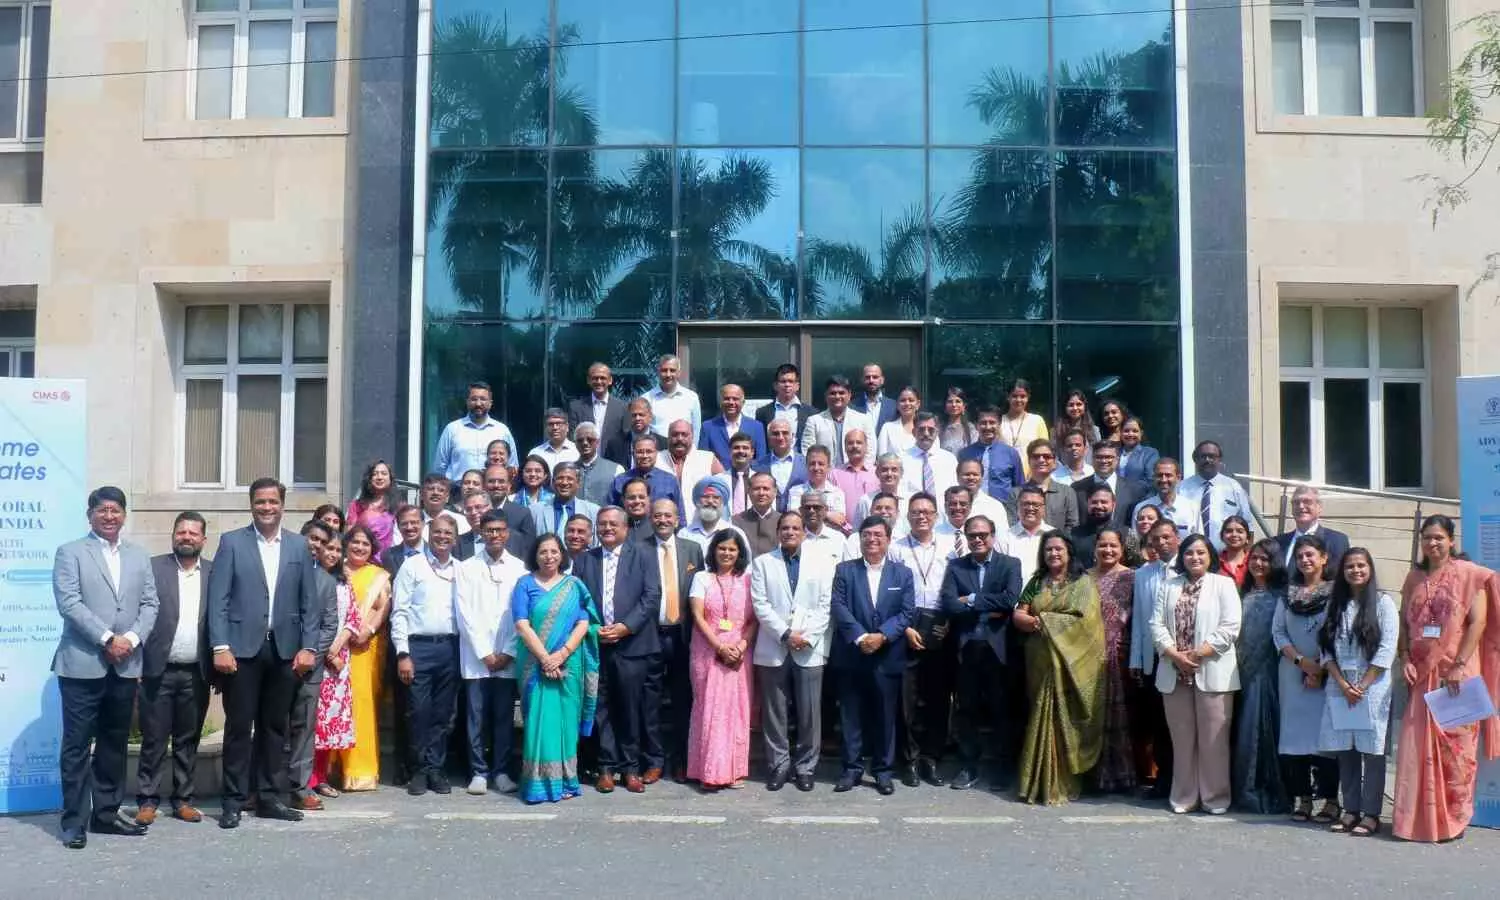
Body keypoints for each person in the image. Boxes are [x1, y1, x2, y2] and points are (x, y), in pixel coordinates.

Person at [208, 478, 322, 829]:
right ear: (251, 504)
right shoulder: (232, 543)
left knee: (275, 728)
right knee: (239, 727)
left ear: (282, 505)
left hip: (285, 651)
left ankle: (270, 798)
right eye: (260, 502)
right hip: (241, 651)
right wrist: (220, 646)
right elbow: (218, 599)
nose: (267, 507)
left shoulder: (299, 546)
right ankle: (233, 800)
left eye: (273, 501)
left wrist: (309, 647)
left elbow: (309, 603)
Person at [52, 486, 160, 848]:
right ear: (90, 515)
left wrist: (130, 638)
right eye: (102, 510)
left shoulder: (139, 556)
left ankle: (106, 815)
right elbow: (69, 602)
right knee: (77, 745)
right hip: (82, 664)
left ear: (124, 515)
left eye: (115, 510)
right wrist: (106, 639)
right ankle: (74, 821)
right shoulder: (70, 553)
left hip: (125, 665)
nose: (109, 516)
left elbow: (150, 604)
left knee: (114, 744)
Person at [1393, 515, 1492, 843]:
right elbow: (1404, 622)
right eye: (1427, 537)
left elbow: (1478, 623)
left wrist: (1459, 665)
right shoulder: (1413, 577)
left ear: (1451, 540)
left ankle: (1453, 821)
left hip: (1456, 673)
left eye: (1438, 537)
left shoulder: (1469, 574)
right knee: (1415, 748)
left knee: (1458, 751)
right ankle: (1414, 821)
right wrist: (1404, 657)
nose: (1432, 543)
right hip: (1422, 672)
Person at [572, 507, 663, 792]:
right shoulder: (585, 560)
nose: (607, 528)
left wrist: (626, 627)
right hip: (597, 645)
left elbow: (652, 596)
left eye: (613, 524)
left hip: (632, 645)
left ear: (625, 528)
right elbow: (578, 602)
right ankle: (606, 768)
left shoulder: (644, 555)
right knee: (601, 708)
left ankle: (631, 768)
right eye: (602, 524)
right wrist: (593, 629)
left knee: (630, 709)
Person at [1149, 533, 1241, 815]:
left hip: (1212, 670)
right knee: (1182, 740)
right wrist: (1176, 656)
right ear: (1182, 557)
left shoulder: (1223, 584)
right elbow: (1156, 625)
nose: (1195, 557)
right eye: (1189, 553)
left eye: (1201, 552)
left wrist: (1199, 654)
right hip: (1174, 671)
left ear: (1210, 555)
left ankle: (1215, 798)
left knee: (1214, 741)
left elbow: (1231, 626)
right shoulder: (1168, 585)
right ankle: (1184, 797)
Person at [1012, 533, 1104, 805]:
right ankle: (1039, 781)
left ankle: (1064, 781)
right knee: (1040, 717)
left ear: (1069, 552)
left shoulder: (1082, 583)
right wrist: (1025, 620)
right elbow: (1020, 612)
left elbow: (1086, 622)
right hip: (1039, 661)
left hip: (1069, 665)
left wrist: (1044, 620)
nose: (1053, 553)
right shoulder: (1036, 581)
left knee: (1065, 720)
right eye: (1048, 549)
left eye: (1058, 549)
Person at [135, 512, 212, 827]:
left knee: (187, 739)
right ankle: (147, 800)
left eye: (193, 533)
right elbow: (137, 613)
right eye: (181, 532)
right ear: (173, 535)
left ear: (203, 539)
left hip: (197, 671)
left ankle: (183, 800)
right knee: (154, 739)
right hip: (158, 670)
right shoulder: (153, 568)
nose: (187, 537)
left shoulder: (214, 572)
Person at [830, 517, 916, 795]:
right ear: (860, 539)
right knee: (851, 716)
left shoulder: (902, 574)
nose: (872, 539)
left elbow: (906, 613)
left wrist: (882, 636)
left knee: (885, 716)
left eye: (878, 534)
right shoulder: (845, 570)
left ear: (888, 539)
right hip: (852, 655)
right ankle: (851, 769)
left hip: (887, 655)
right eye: (866, 534)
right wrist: (860, 637)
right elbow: (838, 606)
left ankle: (883, 771)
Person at [512, 534, 600, 803]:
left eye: (554, 551)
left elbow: (584, 622)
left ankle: (566, 780)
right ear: (535, 556)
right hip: (534, 665)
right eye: (543, 552)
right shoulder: (525, 584)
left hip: (568, 664)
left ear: (562, 555)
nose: (549, 556)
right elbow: (521, 624)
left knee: (566, 721)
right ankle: (538, 784)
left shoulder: (573, 585)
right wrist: (545, 658)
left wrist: (561, 654)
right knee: (539, 722)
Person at [1318, 548, 1398, 837]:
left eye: (1361, 565)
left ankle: (1371, 814)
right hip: (1340, 687)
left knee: (1371, 752)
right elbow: (1325, 649)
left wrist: (1362, 686)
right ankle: (1350, 809)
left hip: (1372, 688)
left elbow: (1387, 648)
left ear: (1370, 569)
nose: (1356, 570)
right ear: (1342, 572)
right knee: (1347, 750)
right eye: (1350, 566)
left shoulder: (1383, 603)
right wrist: (1343, 684)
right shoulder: (1335, 604)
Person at [751, 511, 832, 793]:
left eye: (796, 528)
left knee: (810, 713)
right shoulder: (763, 563)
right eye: (785, 528)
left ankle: (806, 767)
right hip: (774, 646)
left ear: (804, 532)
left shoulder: (821, 563)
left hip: (809, 648)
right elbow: (760, 604)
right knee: (774, 712)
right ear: (778, 532)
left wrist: (806, 638)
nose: (790, 532)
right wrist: (785, 634)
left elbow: (825, 605)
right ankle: (779, 765)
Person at [940, 514, 1023, 791]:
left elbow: (1010, 599)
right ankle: (969, 765)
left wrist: (972, 599)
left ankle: (1002, 766)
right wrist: (988, 606)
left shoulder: (1010, 564)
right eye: (972, 535)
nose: (977, 539)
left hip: (998, 649)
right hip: (966, 649)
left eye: (983, 535)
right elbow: (949, 603)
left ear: (993, 536)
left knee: (1001, 709)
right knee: (967, 710)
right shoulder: (956, 567)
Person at [888, 493, 958, 787]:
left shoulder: (949, 548)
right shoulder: (896, 548)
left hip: (941, 624)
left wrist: (950, 622)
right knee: (907, 700)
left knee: (938, 698)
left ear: (936, 516)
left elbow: (957, 587)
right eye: (916, 512)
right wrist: (904, 627)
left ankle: (931, 757)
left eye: (927, 511)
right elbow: (889, 593)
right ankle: (910, 759)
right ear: (908, 516)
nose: (922, 516)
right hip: (907, 623)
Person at [391, 515, 462, 797]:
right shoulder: (412, 566)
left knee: (444, 713)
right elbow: (400, 611)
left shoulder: (461, 570)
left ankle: (435, 768)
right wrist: (403, 653)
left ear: (455, 539)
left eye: (448, 533)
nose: (443, 537)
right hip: (418, 648)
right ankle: (418, 769)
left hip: (450, 648)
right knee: (418, 711)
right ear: (428, 534)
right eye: (438, 532)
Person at [455, 511, 524, 794]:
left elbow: (521, 614)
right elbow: (464, 614)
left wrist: (507, 651)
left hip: (507, 657)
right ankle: (479, 772)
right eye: (489, 530)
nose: (495, 535)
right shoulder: (466, 568)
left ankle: (502, 771)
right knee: (476, 717)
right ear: (481, 533)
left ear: (507, 533)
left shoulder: (519, 568)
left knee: (503, 717)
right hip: (476, 657)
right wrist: (484, 652)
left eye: (500, 530)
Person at [1274, 534, 1340, 824]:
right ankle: (1302, 798)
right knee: (1294, 738)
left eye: (1310, 554)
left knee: (1325, 739)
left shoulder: (1337, 593)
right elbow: (1278, 633)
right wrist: (1302, 662)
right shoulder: (1287, 594)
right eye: (1300, 556)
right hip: (1292, 673)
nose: (1305, 560)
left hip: (1328, 673)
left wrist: (1319, 668)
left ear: (1324, 558)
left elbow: (1339, 631)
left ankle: (1330, 800)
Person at [685, 531, 757, 789]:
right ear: (713, 550)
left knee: (736, 711)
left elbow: (753, 620)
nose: (727, 553)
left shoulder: (748, 580)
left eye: (732, 549)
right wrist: (719, 647)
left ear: (740, 553)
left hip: (739, 652)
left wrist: (741, 646)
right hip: (707, 650)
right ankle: (708, 771)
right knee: (709, 709)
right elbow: (698, 616)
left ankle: (734, 771)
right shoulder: (701, 578)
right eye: (722, 548)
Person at [645, 500, 706, 784]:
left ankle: (682, 759)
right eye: (657, 515)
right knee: (650, 701)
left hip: (683, 636)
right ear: (651, 518)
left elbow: (701, 592)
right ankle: (654, 760)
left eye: (668, 515)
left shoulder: (693, 549)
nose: (663, 520)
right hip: (650, 635)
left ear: (677, 519)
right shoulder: (639, 549)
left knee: (683, 701)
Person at [1231, 538, 1290, 815]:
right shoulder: (1240, 593)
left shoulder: (1282, 597)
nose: (1258, 563)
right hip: (1237, 671)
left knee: (1257, 731)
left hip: (1265, 673)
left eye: (1264, 559)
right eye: (1254, 558)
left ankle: (1258, 792)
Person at [336, 525, 390, 792]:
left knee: (360, 706)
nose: (359, 547)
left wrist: (367, 631)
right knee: (333, 707)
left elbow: (382, 608)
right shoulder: (335, 570)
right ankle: (330, 769)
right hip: (333, 648)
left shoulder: (378, 576)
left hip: (363, 647)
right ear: (346, 544)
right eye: (355, 542)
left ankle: (360, 770)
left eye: (365, 544)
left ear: (372, 549)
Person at [1129, 518, 1181, 796]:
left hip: (1181, 656)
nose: (1161, 543)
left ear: (1177, 538)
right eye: (1155, 539)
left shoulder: (1188, 567)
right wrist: (1136, 660)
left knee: (1180, 722)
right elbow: (1139, 619)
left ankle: (1182, 779)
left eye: (1166, 537)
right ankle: (1163, 778)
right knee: (1158, 721)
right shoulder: (1143, 574)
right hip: (1153, 657)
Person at [309, 531, 360, 799]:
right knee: (311, 723)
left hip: (339, 665)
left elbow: (353, 619)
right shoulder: (309, 578)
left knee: (330, 723)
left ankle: (321, 777)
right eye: (329, 548)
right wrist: (328, 653)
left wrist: (338, 648)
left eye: (338, 550)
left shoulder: (343, 583)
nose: (333, 554)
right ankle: (305, 779)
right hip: (315, 659)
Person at [1088, 527, 1136, 794]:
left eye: (1113, 545)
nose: (1107, 550)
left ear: (1122, 549)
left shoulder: (1132, 577)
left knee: (1120, 717)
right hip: (1088, 655)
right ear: (1095, 548)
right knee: (1091, 715)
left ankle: (1121, 777)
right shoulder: (1083, 578)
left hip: (1120, 655)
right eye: (1102, 545)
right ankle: (1092, 776)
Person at [433, 381, 517, 483]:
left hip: (492, 489)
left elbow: (512, 467)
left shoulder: (502, 431)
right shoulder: (452, 429)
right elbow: (440, 467)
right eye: (474, 399)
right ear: (467, 402)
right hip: (458, 489)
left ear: (490, 403)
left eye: (483, 399)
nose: (478, 403)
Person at [1178, 440, 1256, 550]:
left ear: (1219, 460)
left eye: (1212, 456)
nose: (1207, 460)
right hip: (1192, 555)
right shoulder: (1182, 488)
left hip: (1226, 555)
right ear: (1195, 459)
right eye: (1203, 456)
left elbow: (1248, 525)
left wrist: (1246, 555)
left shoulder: (1233, 487)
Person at [958, 405, 1026, 506]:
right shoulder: (965, 454)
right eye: (983, 423)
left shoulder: (1011, 453)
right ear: (976, 425)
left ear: (999, 424)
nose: (988, 427)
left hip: (1004, 509)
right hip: (972, 508)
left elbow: (1019, 487)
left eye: (992, 422)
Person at [802, 375, 875, 468]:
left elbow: (871, 450)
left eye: (841, 393)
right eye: (833, 393)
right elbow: (807, 452)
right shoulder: (814, 421)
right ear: (826, 396)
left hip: (855, 473)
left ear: (849, 395)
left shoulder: (864, 420)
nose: (837, 396)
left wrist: (861, 472)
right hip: (825, 474)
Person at [610, 433, 686, 521]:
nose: (645, 456)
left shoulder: (670, 481)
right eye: (640, 452)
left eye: (649, 451)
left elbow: (680, 516)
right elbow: (611, 512)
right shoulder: (620, 481)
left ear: (656, 453)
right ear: (633, 454)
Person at [1071, 441, 1145, 530]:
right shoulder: (1077, 488)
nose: (1104, 461)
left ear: (1117, 460)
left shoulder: (1134, 489)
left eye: (1109, 457)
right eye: (1099, 457)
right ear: (1092, 459)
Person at [1275, 486, 1351, 570]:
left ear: (1319, 508)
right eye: (1296, 502)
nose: (1301, 506)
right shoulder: (1277, 543)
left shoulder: (1337, 541)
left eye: (1307, 502)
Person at [700, 383, 766, 469]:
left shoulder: (757, 427)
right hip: (718, 476)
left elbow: (760, 460)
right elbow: (703, 460)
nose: (731, 402)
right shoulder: (708, 427)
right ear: (720, 402)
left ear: (743, 402)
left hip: (748, 476)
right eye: (727, 399)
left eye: (735, 399)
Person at [755, 363, 817, 453]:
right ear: (775, 385)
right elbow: (761, 443)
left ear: (797, 386)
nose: (787, 385)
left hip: (801, 460)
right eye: (783, 381)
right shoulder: (763, 413)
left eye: (791, 381)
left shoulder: (811, 413)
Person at [660, 418, 723, 507]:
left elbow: (724, 488)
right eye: (675, 434)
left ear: (692, 436)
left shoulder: (708, 459)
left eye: (684, 435)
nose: (679, 438)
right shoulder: (657, 459)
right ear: (668, 437)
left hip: (699, 515)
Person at [898, 412, 959, 501]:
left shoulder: (949, 459)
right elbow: (900, 492)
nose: (926, 433)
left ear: (937, 432)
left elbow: (955, 490)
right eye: (921, 429)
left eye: (931, 430)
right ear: (914, 432)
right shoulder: (902, 459)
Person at [1001, 485, 1055, 585]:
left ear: (1044, 508)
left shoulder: (1054, 536)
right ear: (1018, 506)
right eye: (1025, 504)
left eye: (1035, 504)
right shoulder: (1005, 537)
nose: (1030, 508)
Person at [531, 461, 600, 538]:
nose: (564, 483)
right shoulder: (535, 511)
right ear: (553, 482)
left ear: (578, 483)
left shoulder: (593, 511)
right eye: (560, 478)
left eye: (569, 479)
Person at [753, 418, 809, 512]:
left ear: (792, 436)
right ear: (769, 438)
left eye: (785, 433)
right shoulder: (757, 466)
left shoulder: (806, 463)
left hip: (798, 518)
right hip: (768, 518)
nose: (780, 437)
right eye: (775, 433)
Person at [568, 362, 628, 450]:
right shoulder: (576, 408)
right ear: (588, 380)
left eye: (603, 378)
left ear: (610, 380)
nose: (599, 382)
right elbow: (573, 438)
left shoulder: (622, 407)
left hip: (612, 458)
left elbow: (625, 438)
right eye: (595, 378)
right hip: (584, 456)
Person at [678, 476, 749, 551]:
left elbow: (745, 558)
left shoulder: (735, 533)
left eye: (716, 497)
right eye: (705, 497)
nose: (710, 501)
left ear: (723, 503)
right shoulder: (685, 534)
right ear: (697, 502)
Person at [485, 463, 540, 559]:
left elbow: (529, 551)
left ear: (509, 486)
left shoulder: (522, 514)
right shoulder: (475, 512)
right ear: (484, 485)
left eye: (501, 481)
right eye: (491, 481)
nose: (496, 485)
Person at [786, 444, 847, 531]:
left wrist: (807, 513)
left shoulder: (837, 493)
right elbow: (794, 517)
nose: (816, 468)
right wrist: (827, 515)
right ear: (806, 466)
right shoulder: (796, 491)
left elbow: (839, 520)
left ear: (828, 467)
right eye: (812, 464)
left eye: (821, 464)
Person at [643, 354, 702, 443]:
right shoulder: (646, 399)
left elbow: (696, 429)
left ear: (679, 373)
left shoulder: (691, 398)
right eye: (664, 370)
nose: (668, 374)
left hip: (683, 448)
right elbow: (644, 431)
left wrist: (693, 450)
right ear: (658, 372)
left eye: (672, 370)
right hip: (657, 448)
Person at [1132, 458, 1195, 540]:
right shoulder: (1141, 508)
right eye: (1159, 475)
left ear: (1178, 478)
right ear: (1153, 478)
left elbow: (1198, 541)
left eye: (1168, 475)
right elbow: (1135, 541)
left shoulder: (1191, 507)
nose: (1163, 480)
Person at [1024, 439, 1079, 532]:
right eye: (1036, 457)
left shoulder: (1067, 493)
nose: (1041, 460)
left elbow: (1072, 527)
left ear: (1054, 462)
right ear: (1029, 461)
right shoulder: (1016, 493)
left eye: (1046, 456)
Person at [346, 459, 398, 555]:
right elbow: (350, 536)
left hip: (389, 559)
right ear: (369, 479)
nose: (379, 477)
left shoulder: (398, 507)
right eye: (375, 474)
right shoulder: (356, 506)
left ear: (390, 479)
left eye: (384, 474)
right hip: (362, 557)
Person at [998, 379, 1049, 477]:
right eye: (1014, 396)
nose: (1018, 400)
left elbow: (1044, 451)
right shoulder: (999, 422)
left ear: (1028, 397)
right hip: (1005, 477)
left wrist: (1033, 475)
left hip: (1033, 476)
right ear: (1008, 397)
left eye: (1022, 396)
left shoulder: (1037, 421)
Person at [829, 428, 879, 518]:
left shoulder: (877, 473)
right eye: (850, 443)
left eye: (859, 442)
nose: (855, 446)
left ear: (866, 446)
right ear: (845, 448)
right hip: (841, 526)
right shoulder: (834, 474)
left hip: (872, 525)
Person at [732, 471, 782, 558]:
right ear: (748, 491)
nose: (761, 493)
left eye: (766, 489)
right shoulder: (736, 522)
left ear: (775, 492)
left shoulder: (783, 521)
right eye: (756, 489)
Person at [574, 422, 625, 507]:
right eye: (580, 440)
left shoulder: (617, 469)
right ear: (575, 444)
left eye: (590, 439)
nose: (585, 443)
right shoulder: (569, 470)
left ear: (597, 442)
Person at [955, 459, 1009, 534]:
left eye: (975, 474)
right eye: (967, 474)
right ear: (957, 477)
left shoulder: (995, 507)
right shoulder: (944, 504)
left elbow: (1002, 537)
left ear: (982, 477)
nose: (971, 478)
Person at [853, 453, 908, 526]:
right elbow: (857, 531)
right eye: (884, 470)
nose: (889, 474)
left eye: (894, 470)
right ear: (877, 473)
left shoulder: (909, 500)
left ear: (901, 473)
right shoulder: (865, 501)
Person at [1070, 483, 1116, 568]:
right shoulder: (1073, 534)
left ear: (1113, 504)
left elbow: (1136, 566)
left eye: (1104, 502)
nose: (1099, 506)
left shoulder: (1125, 533)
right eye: (1094, 502)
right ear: (1087, 503)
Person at [799, 491, 845, 571]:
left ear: (826, 510)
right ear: (801, 510)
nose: (811, 511)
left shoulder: (839, 539)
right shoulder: (794, 539)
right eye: (807, 507)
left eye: (816, 507)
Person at [613, 396, 664, 466]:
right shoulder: (615, 445)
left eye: (641, 415)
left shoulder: (663, 444)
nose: (637, 418)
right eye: (634, 415)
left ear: (650, 417)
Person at [419, 472, 469, 541]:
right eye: (430, 489)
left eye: (441, 490)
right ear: (421, 495)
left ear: (447, 498)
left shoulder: (461, 522)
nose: (435, 493)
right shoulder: (412, 522)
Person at [1051, 389, 1100, 457]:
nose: (1075, 408)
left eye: (1079, 404)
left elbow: (1098, 454)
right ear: (1065, 407)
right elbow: (1054, 456)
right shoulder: (1056, 431)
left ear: (1084, 406)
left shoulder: (1094, 430)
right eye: (1071, 405)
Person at [722, 432, 760, 517]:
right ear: (730, 451)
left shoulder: (761, 481)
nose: (741, 451)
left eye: (745, 448)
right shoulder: (719, 480)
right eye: (736, 448)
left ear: (752, 452)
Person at [854, 363, 901, 432]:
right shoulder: (853, 406)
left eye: (875, 377)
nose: (871, 380)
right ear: (862, 380)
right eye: (867, 377)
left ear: (882, 380)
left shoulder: (894, 406)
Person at [876, 385, 921, 456]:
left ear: (918, 404)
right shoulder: (888, 428)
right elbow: (881, 457)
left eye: (911, 400)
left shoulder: (927, 428)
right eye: (903, 400)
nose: (907, 403)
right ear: (897, 404)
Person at [381, 504, 426, 576]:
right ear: (398, 526)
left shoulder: (435, 552)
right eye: (404, 523)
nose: (409, 527)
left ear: (423, 524)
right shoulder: (388, 556)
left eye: (414, 522)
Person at [1117, 416, 1160, 487]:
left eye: (1135, 431)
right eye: (1126, 431)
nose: (1130, 434)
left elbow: (1151, 481)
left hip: (1141, 494)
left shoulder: (1150, 454)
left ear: (1141, 433)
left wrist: (1126, 490)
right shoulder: (1114, 453)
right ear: (1121, 433)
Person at [453, 489, 493, 561]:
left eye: (478, 507)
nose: (473, 512)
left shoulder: (513, 539)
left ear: (490, 507)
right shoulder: (457, 544)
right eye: (468, 509)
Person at [939, 386, 979, 454]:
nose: (954, 405)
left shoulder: (971, 429)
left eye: (958, 401)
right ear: (945, 405)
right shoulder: (938, 429)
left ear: (964, 406)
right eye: (950, 401)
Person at [1217, 516, 1252, 588]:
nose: (1234, 535)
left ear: (1247, 538)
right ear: (1222, 536)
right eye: (1229, 531)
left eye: (1240, 531)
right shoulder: (1214, 562)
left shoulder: (1253, 561)